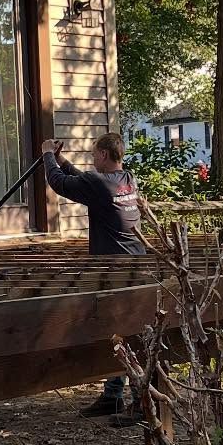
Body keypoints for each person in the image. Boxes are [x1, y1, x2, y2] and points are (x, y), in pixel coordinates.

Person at [41, 131, 146, 415]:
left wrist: (47, 155)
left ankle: (140, 402)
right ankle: (113, 396)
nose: (90, 158)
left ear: (102, 154)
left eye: (92, 154)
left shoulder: (99, 183)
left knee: (124, 332)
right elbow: (84, 182)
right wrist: (61, 159)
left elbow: (61, 184)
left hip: (116, 268)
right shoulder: (127, 179)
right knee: (118, 331)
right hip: (135, 262)